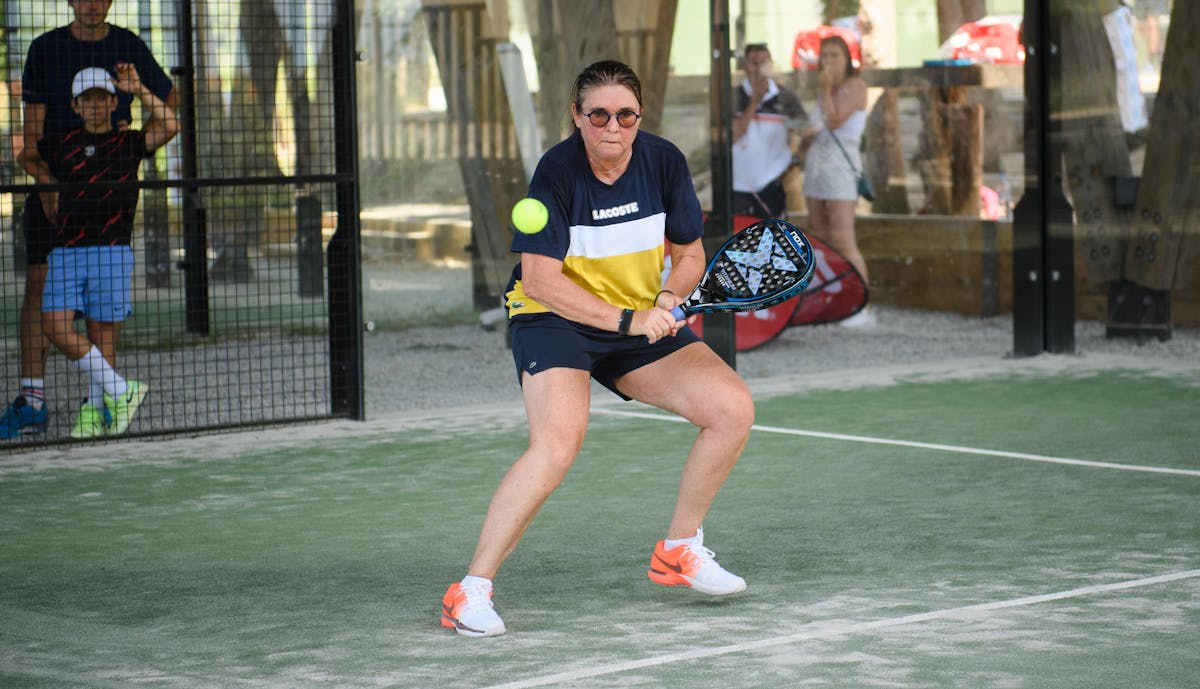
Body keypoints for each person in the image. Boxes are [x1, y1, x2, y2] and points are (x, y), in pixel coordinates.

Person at [440, 60, 755, 638]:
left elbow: (688, 255)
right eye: (599, 115)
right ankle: (470, 590)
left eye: (626, 114)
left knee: (731, 409)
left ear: (640, 116)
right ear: (577, 116)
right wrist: (628, 319)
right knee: (558, 445)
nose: (614, 127)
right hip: (554, 319)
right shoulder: (557, 172)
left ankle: (679, 549)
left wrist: (662, 299)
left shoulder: (664, 161)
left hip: (637, 315)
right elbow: (538, 280)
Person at [1, 0, 176, 439]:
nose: (92, 5)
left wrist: (127, 133)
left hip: (107, 202)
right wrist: (49, 185)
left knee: (102, 308)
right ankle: (33, 400)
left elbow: (170, 105)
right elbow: (31, 142)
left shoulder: (128, 45)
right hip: (55, 194)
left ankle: (101, 404)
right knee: (40, 293)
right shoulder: (44, 49)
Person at [801, 34, 873, 326]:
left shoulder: (855, 87)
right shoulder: (824, 91)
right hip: (818, 164)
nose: (828, 62)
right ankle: (833, 298)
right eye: (824, 56)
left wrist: (828, 87)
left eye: (834, 55)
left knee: (843, 236)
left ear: (847, 59)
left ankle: (861, 304)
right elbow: (818, 126)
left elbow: (834, 120)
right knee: (820, 235)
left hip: (840, 168)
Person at [731, 43, 807, 219]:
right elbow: (732, 136)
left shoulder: (785, 96)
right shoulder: (734, 96)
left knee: (773, 239)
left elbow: (806, 131)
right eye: (754, 63)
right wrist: (754, 102)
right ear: (744, 66)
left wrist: (792, 164)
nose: (759, 69)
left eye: (764, 63)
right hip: (739, 184)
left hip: (773, 183)